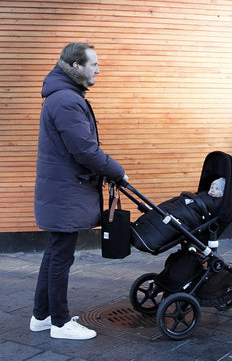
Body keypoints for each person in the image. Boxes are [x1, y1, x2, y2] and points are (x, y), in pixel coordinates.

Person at [30, 42, 128, 340]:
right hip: (66, 192)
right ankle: (60, 323)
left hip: (62, 191)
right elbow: (84, 150)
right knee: (61, 257)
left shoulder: (62, 97)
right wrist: (117, 170)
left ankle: (42, 316)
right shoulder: (66, 101)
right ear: (76, 66)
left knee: (55, 254)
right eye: (94, 63)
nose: (98, 68)